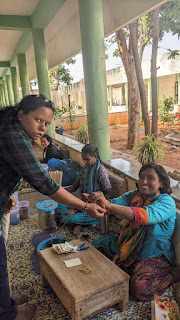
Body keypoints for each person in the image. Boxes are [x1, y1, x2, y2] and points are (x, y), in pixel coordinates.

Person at [0, 94, 105, 320]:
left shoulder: (12, 129)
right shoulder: (13, 135)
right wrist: (85, 205)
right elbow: (45, 183)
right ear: (21, 115)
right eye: (38, 120)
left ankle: (5, 303)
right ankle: (7, 314)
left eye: (47, 124)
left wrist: (5, 193)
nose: (42, 128)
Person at [89, 163, 176, 301]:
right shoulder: (134, 195)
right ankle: (126, 267)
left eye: (150, 178)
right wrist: (94, 202)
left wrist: (108, 205)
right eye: (141, 177)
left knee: (139, 287)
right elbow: (111, 206)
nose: (144, 182)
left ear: (161, 183)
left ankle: (173, 275)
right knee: (98, 244)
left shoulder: (167, 202)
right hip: (129, 245)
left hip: (153, 255)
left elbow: (143, 216)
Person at [58, 144, 112, 235]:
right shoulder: (83, 170)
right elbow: (74, 187)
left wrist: (95, 198)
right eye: (84, 159)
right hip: (82, 204)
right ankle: (80, 223)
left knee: (71, 218)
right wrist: (59, 190)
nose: (85, 162)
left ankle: (77, 223)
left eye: (87, 159)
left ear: (95, 156)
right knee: (59, 204)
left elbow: (110, 194)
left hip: (94, 208)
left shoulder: (101, 171)